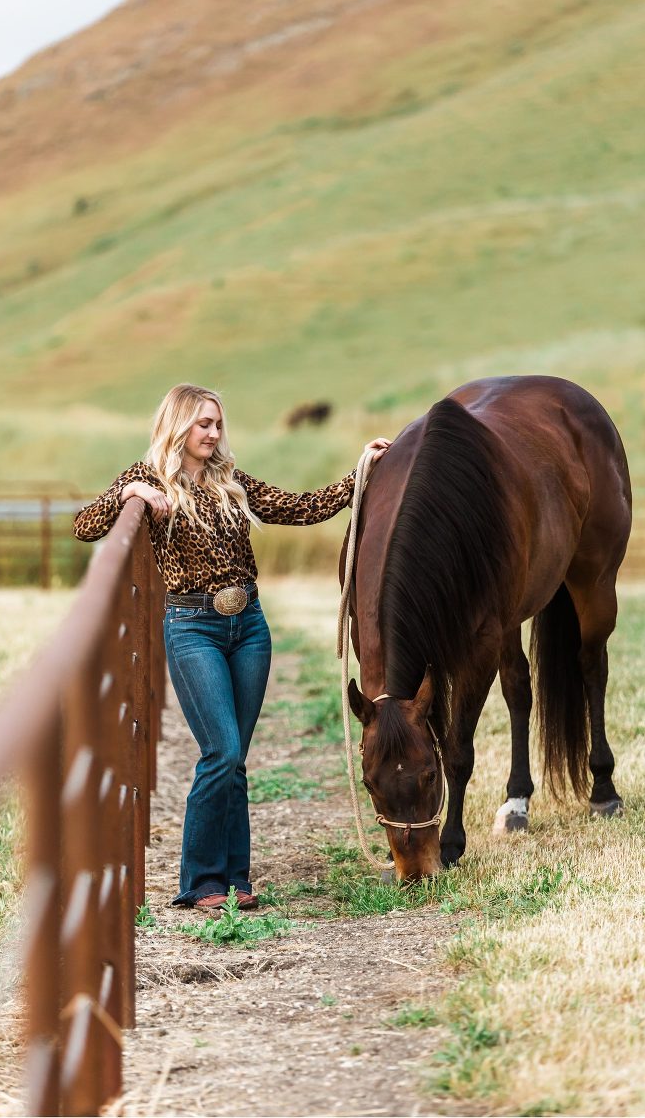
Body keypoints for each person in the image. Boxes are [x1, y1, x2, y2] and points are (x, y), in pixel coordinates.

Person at [74, 383, 390, 911]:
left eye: (218, 424)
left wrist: (361, 474)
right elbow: (86, 526)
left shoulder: (230, 481)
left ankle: (236, 879)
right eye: (204, 424)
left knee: (235, 758)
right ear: (178, 424)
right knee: (220, 750)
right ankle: (199, 881)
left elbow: (300, 508)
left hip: (249, 626)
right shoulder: (146, 478)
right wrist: (129, 495)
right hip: (192, 625)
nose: (214, 433)